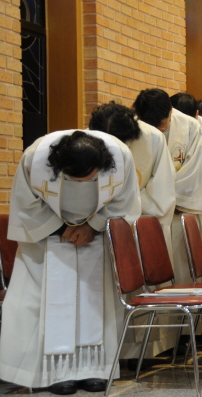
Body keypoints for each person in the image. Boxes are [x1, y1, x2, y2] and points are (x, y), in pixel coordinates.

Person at [0, 130, 140, 395]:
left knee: (93, 303)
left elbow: (126, 199)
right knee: (45, 303)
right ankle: (53, 373)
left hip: (97, 236)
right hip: (46, 239)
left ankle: (94, 369)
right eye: (73, 178)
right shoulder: (35, 158)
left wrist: (92, 225)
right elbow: (25, 204)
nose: (80, 182)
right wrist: (62, 228)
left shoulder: (120, 157)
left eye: (88, 178)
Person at [88, 102, 177, 357]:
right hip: (97, 226)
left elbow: (162, 189)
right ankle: (104, 351)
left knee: (136, 288)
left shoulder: (153, 138)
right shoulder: (88, 139)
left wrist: (130, 207)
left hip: (140, 224)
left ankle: (140, 352)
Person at [133, 88, 202, 284]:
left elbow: (193, 170)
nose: (159, 129)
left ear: (170, 112)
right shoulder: (133, 128)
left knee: (183, 272)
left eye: (162, 123)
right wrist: (152, 203)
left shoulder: (190, 126)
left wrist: (165, 201)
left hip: (179, 212)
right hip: (145, 213)